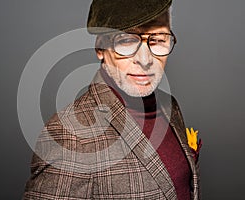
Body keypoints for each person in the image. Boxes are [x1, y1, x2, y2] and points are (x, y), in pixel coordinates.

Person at [23, 0, 200, 199]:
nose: (144, 60)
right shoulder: (70, 135)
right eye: (126, 41)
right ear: (101, 48)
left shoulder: (170, 106)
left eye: (158, 40)